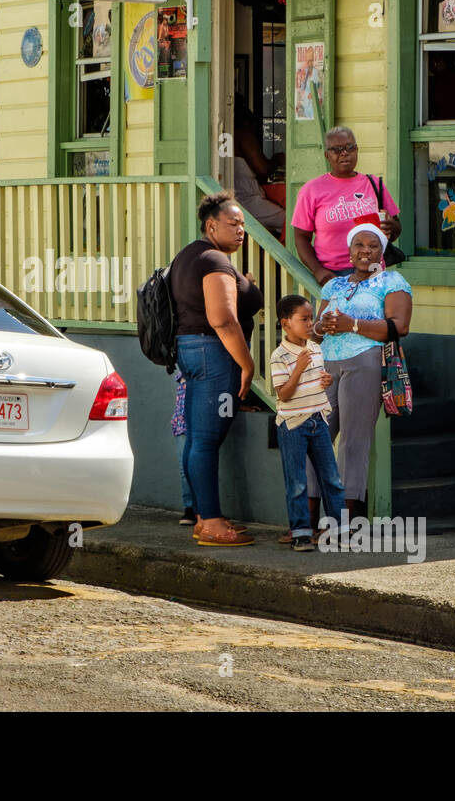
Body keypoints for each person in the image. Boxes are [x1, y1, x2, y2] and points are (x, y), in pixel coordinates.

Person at [171, 190, 262, 547]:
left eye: (243, 225)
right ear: (211, 225)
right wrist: (246, 363)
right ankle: (211, 522)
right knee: (207, 440)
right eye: (233, 223)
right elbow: (222, 319)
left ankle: (203, 517)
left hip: (191, 351)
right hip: (213, 354)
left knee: (197, 438)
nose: (241, 230)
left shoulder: (190, 255)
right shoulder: (214, 260)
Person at [313, 215, 413, 521]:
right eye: (359, 244)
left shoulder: (391, 282)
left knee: (353, 442)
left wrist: (352, 324)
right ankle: (307, 521)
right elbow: (314, 331)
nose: (365, 250)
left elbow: (400, 326)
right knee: (315, 437)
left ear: (382, 251)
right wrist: (322, 326)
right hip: (327, 365)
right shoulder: (334, 285)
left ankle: (346, 520)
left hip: (364, 362)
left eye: (373, 245)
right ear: (349, 250)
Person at [271, 294, 346, 550]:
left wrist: (326, 381)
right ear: (286, 323)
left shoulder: (315, 348)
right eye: (303, 319)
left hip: (318, 420)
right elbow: (283, 394)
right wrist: (299, 368)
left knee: (331, 478)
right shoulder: (279, 356)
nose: (310, 323)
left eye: (311, 318)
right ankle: (301, 533)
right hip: (293, 424)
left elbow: (318, 380)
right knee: (297, 482)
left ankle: (339, 531)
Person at [292, 127, 402, 283]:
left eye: (350, 147)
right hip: (332, 275)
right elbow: (301, 238)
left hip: (372, 272)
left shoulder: (374, 184)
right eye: (336, 149)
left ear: (357, 150)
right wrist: (318, 270)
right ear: (327, 155)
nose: (344, 153)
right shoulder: (311, 190)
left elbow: (395, 228)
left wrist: (393, 227)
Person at [231, 104, 287, 238]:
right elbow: (263, 170)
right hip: (247, 201)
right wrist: (277, 160)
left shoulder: (229, 137)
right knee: (289, 220)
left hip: (241, 199)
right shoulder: (243, 135)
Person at [170, 369, 195, 525]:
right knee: (184, 468)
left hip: (200, 421)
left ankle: (202, 509)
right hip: (182, 422)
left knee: (203, 465)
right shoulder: (184, 372)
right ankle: (190, 508)